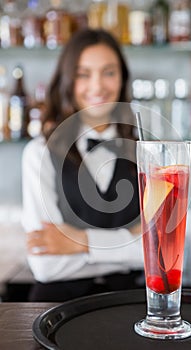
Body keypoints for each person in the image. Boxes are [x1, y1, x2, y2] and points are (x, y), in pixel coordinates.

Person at [21, 28, 144, 302]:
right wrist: (129, 245)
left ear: (122, 77)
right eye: (83, 74)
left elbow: (160, 251)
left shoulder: (146, 152)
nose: (97, 86)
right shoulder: (39, 153)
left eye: (109, 72)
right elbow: (46, 265)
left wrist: (79, 242)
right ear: (67, 80)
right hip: (55, 307)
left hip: (129, 307)